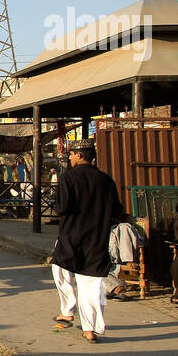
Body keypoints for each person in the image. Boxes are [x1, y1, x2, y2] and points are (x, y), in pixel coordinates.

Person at [50, 143, 124, 343]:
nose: (70, 158)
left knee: (59, 268)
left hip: (71, 236)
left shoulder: (68, 178)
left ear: (79, 155)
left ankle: (67, 310)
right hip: (97, 239)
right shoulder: (106, 180)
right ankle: (90, 329)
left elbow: (61, 208)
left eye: (72, 154)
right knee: (91, 285)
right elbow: (117, 211)